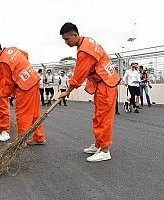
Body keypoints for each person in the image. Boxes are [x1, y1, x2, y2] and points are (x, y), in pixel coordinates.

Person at [59, 22, 120, 162]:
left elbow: (78, 77)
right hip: (104, 82)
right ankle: (99, 143)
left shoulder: (85, 50)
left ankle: (104, 150)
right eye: (64, 40)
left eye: (67, 39)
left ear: (75, 35)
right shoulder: (87, 41)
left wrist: (67, 92)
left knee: (104, 117)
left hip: (106, 83)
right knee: (99, 116)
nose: (66, 42)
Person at [0, 39, 46, 145]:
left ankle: (21, 141)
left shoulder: (2, 61)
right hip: (33, 79)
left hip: (24, 86)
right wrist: (22, 68)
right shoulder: (12, 49)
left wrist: (3, 94)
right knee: (35, 113)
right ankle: (39, 137)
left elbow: (8, 83)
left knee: (22, 114)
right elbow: (25, 54)